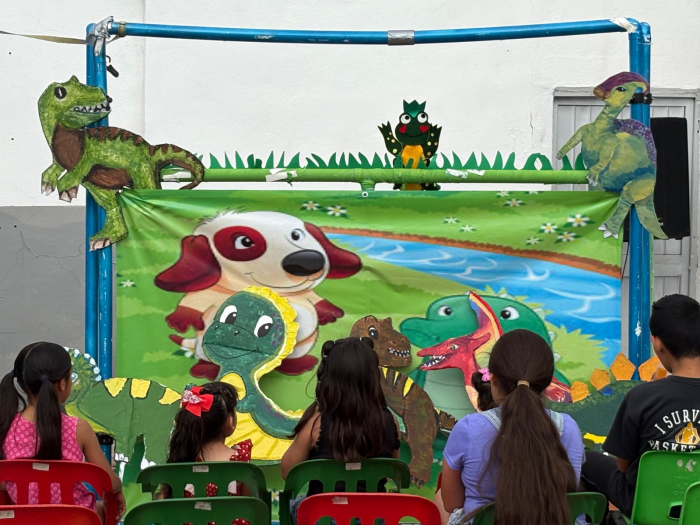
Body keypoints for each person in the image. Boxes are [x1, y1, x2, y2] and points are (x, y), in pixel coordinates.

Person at [440, 329, 584, 525]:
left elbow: (452, 503)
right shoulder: (569, 427)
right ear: (546, 383)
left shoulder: (468, 428)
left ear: (493, 379)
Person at [582, 294, 700, 516]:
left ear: (658, 343)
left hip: (645, 506)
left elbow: (623, 466)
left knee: (586, 459)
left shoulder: (641, 397)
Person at [0, 342, 125, 522]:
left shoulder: (5, 425)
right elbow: (110, 483)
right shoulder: (79, 428)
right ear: (63, 383)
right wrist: (118, 490)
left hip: (24, 520)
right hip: (75, 520)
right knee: (101, 509)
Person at [281, 338, 400, 522]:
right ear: (373, 377)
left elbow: (288, 472)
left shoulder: (316, 424)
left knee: (294, 504)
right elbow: (392, 470)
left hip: (324, 518)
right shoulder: (390, 421)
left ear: (329, 376)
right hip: (374, 517)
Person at [164, 382, 253, 501]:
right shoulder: (241, 461)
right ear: (230, 422)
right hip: (231, 514)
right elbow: (247, 504)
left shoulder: (181, 458)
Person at [434, 369, 498, 525]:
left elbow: (451, 504)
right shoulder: (556, 423)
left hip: (479, 519)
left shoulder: (468, 427)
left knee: (442, 495)